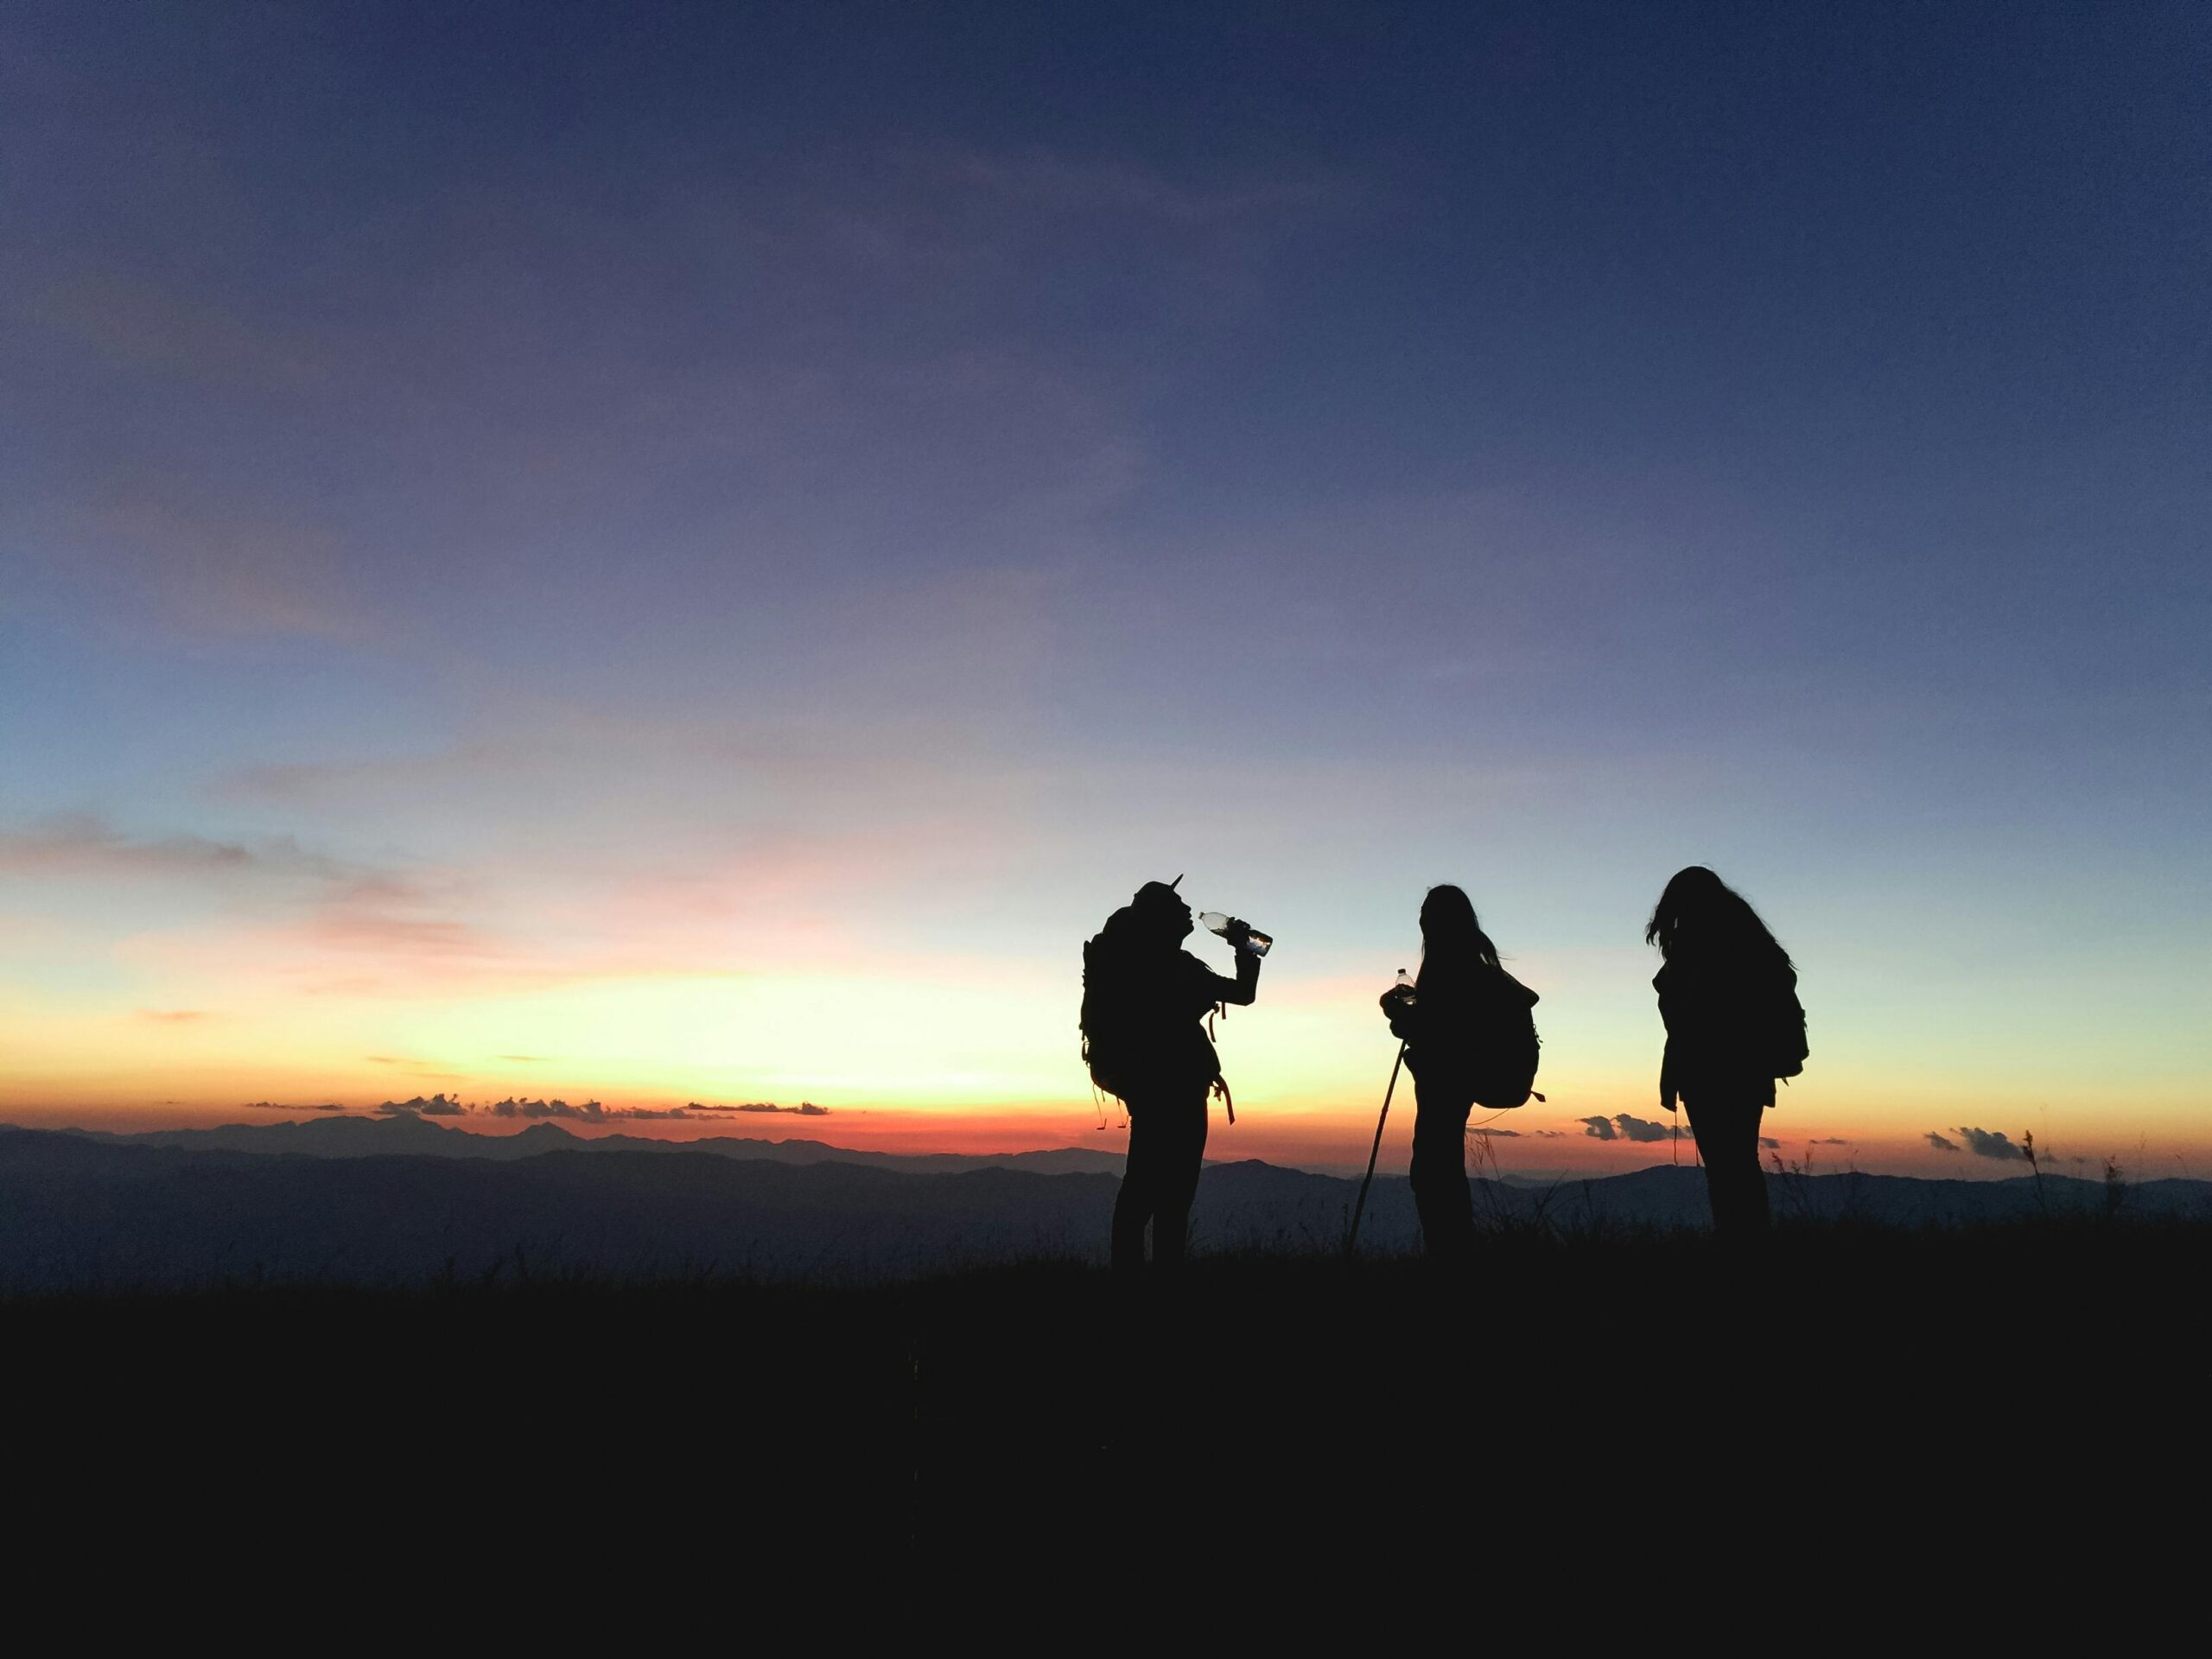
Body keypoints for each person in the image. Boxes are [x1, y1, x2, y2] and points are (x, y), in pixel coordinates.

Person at [1082, 878, 1262, 1276]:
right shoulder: (1172, 965)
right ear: (1160, 918)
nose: (1187, 911)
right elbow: (1244, 993)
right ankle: (1165, 1280)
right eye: (1177, 905)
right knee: (1172, 1191)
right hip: (1176, 1087)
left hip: (1148, 1085)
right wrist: (1244, 946)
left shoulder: (1133, 960)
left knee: (1143, 1185)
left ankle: (1130, 1277)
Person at [1379, 885, 1541, 1262]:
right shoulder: (1476, 969)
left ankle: (1452, 1259)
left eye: (1426, 913)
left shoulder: (1450, 970)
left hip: (1449, 1081)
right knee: (1438, 1166)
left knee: (1433, 1170)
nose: (1421, 920)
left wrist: (1396, 1012)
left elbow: (1442, 1031)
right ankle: (1455, 1256)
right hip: (1464, 1077)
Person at [1646, 866, 1808, 1238]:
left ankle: (1740, 1241)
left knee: (1725, 1167)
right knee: (1738, 1163)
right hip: (1749, 1069)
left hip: (1709, 1070)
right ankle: (1749, 1238)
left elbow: (1687, 1010)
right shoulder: (1746, 940)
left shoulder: (1700, 943)